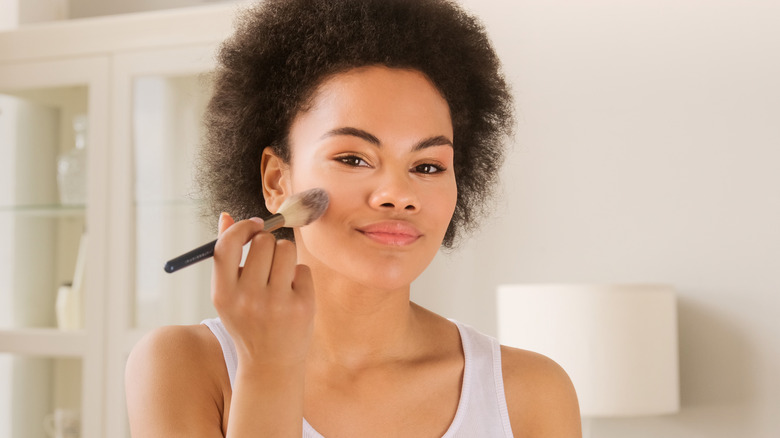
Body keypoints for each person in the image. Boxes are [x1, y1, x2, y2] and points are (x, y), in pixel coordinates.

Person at [125, 0, 581, 436]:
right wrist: (268, 365)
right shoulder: (182, 366)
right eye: (353, 158)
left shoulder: (529, 392)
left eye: (427, 166)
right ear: (276, 181)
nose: (398, 196)